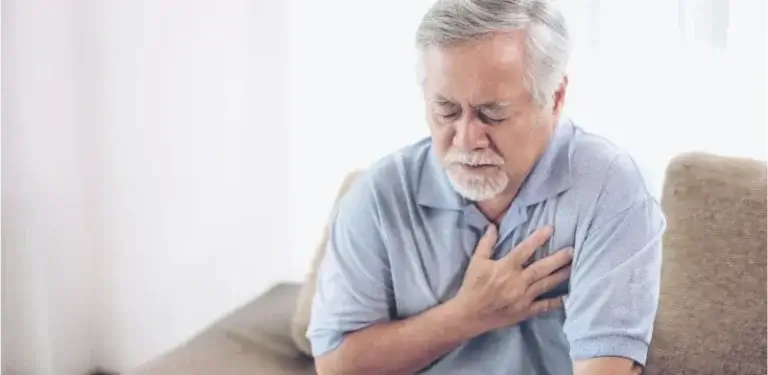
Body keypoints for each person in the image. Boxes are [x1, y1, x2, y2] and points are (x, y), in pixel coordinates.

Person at [307, 0, 666, 374]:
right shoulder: (380, 195)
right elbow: (336, 366)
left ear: (556, 98)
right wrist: (465, 316)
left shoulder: (611, 189)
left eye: (491, 113)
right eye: (445, 110)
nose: (465, 140)